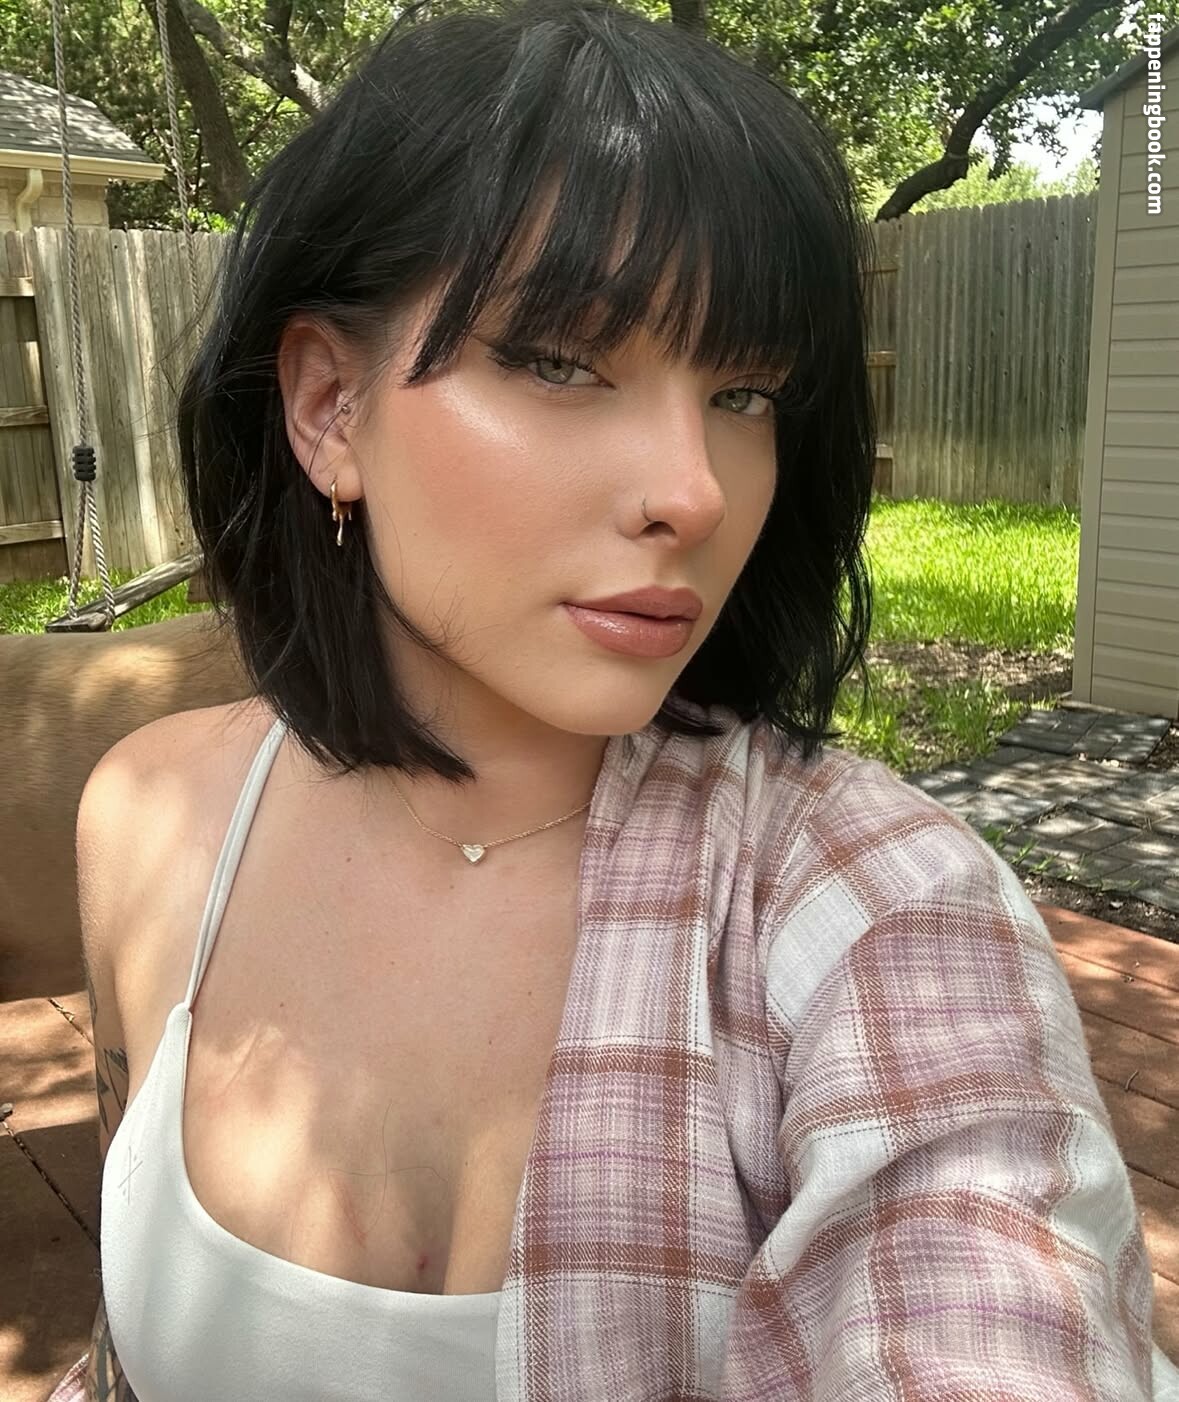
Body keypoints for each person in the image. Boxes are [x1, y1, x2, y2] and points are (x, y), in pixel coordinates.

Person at [64, 0, 1178, 1398]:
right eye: (561, 360)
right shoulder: (152, 819)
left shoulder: (885, 913)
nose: (695, 492)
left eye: (747, 392)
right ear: (330, 407)